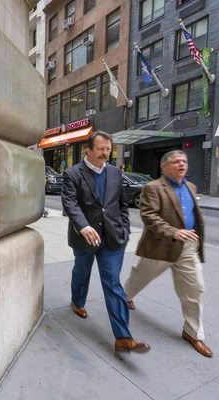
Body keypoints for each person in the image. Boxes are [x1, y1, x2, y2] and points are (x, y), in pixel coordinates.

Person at [61, 131, 150, 354]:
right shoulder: (72, 174)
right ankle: (77, 301)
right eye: (101, 149)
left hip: (112, 237)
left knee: (113, 283)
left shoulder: (115, 173)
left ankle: (123, 337)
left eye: (108, 149)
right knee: (82, 271)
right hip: (85, 236)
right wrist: (84, 226)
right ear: (88, 150)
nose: (105, 153)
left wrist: (125, 229)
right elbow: (70, 204)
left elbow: (122, 205)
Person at [124, 150, 212, 357]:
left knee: (195, 289)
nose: (182, 164)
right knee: (139, 277)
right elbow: (149, 216)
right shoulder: (152, 187)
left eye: (185, 161)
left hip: (188, 247)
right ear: (164, 167)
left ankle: (193, 333)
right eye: (176, 161)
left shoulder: (191, 187)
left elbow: (191, 214)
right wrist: (173, 232)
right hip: (160, 247)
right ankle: (125, 297)